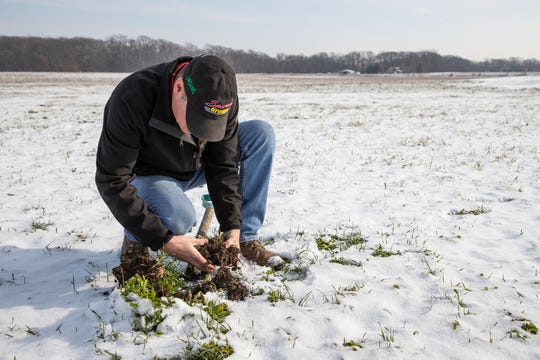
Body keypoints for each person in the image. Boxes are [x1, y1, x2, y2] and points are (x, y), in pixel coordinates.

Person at [95, 54, 280, 272]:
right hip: (151, 174)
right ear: (179, 88)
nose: (200, 131)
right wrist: (163, 239)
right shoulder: (132, 97)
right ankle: (134, 240)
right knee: (180, 217)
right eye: (196, 119)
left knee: (261, 134)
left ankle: (244, 238)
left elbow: (223, 163)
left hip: (195, 164)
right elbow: (112, 179)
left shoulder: (221, 96)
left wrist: (232, 224)